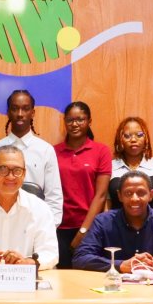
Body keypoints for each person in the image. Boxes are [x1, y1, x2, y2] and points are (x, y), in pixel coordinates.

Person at [72, 171, 153, 273]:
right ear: (119, 196)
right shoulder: (103, 221)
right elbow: (80, 258)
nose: (134, 199)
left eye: (141, 193)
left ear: (151, 195)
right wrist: (120, 265)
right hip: (115, 291)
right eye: (128, 193)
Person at [0, 90, 63, 225]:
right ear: (8, 112)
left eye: (25, 109)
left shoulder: (46, 150)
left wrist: (48, 228)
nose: (20, 114)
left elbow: (53, 197)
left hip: (37, 224)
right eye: (15, 109)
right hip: (1, 223)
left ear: (32, 113)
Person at [53, 101, 111, 268]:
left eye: (80, 119)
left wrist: (83, 231)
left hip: (90, 227)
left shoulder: (101, 151)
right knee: (61, 277)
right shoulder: (53, 151)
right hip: (58, 227)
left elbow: (101, 195)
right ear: (64, 122)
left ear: (89, 121)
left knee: (89, 275)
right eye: (70, 120)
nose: (74, 124)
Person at [109, 116, 153, 211]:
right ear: (120, 139)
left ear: (146, 138)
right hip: (116, 221)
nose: (133, 139)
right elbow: (105, 205)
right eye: (127, 136)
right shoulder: (109, 167)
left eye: (139, 135)